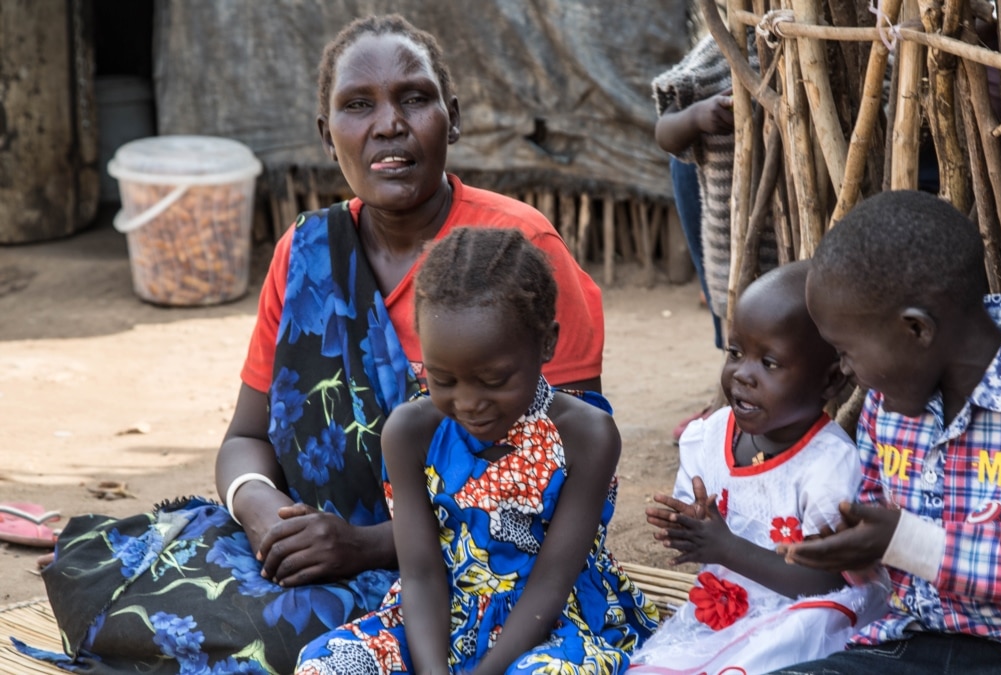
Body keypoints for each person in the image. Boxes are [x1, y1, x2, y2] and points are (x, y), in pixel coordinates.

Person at [24, 13, 605, 674]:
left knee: (268, 639)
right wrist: (264, 513)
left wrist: (364, 545)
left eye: (414, 98)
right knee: (115, 591)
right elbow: (246, 436)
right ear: (329, 138)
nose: (389, 123)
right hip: (310, 552)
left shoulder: (521, 251)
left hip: (474, 569)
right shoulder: (304, 253)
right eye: (359, 106)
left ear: (454, 117)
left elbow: (563, 477)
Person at [769, 190, 1001, 674]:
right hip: (912, 646)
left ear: (916, 331)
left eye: (846, 350)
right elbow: (876, 531)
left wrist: (911, 543)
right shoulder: (888, 403)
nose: (845, 370)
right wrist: (850, 549)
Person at [295, 227, 658, 673]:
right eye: (443, 380)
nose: (467, 403)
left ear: (547, 343)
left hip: (556, 621)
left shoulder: (586, 436)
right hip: (438, 616)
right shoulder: (410, 432)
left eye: (493, 380)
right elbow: (422, 574)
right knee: (325, 664)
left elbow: (551, 583)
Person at [629, 261, 886, 674]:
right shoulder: (708, 438)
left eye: (769, 363)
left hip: (806, 616)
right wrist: (690, 527)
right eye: (735, 353)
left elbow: (832, 581)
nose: (741, 375)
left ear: (831, 382)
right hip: (728, 606)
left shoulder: (828, 467)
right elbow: (704, 528)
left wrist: (726, 547)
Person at [653, 32, 774, 441]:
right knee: (738, 314)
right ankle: (732, 400)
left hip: (795, 217)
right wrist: (697, 117)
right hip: (733, 221)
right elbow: (666, 132)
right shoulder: (720, 48)